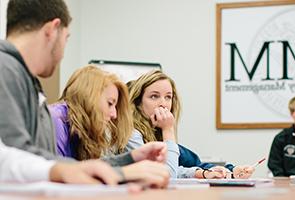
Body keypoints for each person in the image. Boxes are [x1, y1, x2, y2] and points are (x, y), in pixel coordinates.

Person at [0, 0, 169, 187]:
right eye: (66, 38)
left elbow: (51, 165)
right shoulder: (6, 68)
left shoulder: (22, 77)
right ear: (52, 29)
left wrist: (128, 160)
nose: (63, 52)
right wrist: (121, 172)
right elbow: (20, 158)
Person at [127, 70, 255, 179]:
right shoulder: (132, 134)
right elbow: (167, 176)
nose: (163, 104)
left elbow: (189, 163)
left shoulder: (157, 133)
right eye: (154, 96)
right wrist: (168, 130)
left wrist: (229, 172)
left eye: (168, 97)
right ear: (138, 102)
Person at [50, 65, 133, 160]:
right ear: (89, 98)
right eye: (110, 103)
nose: (114, 114)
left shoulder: (81, 131)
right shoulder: (56, 120)